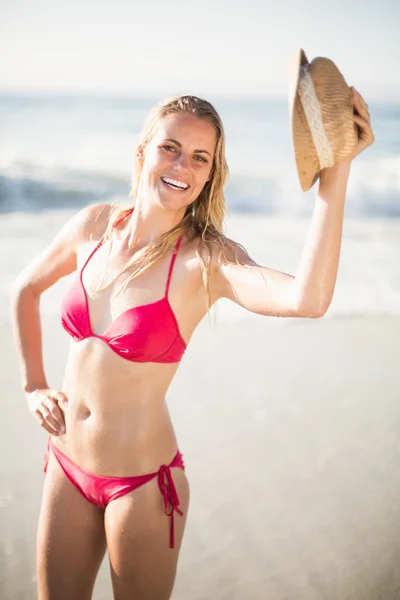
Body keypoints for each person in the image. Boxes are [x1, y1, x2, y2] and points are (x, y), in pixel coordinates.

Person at [11, 89, 374, 600]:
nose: (183, 164)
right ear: (143, 152)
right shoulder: (94, 226)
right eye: (171, 147)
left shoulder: (205, 261)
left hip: (142, 487)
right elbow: (25, 289)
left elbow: (306, 298)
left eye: (200, 158)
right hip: (66, 466)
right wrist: (33, 386)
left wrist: (333, 178)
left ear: (209, 176)